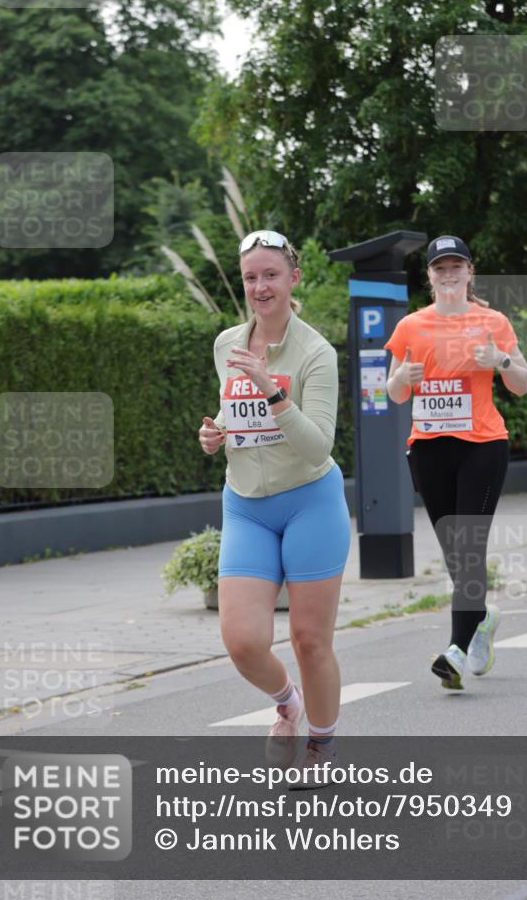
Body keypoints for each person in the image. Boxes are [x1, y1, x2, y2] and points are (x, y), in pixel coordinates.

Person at [199, 230, 350, 766]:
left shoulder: (316, 353)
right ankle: (288, 705)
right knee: (243, 641)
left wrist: (271, 389)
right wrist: (215, 432)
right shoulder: (227, 344)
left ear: (293, 279)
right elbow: (234, 415)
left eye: (270, 275)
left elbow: (318, 447)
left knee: (310, 640)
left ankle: (320, 746)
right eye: (251, 278)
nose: (260, 286)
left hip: (310, 500)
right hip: (246, 505)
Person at [385, 236, 527, 690]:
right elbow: (394, 392)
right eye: (439, 268)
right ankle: (482, 619)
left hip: (482, 447)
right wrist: (401, 378)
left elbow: (521, 383)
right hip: (429, 448)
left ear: (470, 273)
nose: (448, 275)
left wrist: (502, 359)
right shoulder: (411, 326)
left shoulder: (492, 321)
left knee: (468, 549)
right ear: (429, 277)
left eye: (456, 267)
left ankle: (454, 651)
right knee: (455, 554)